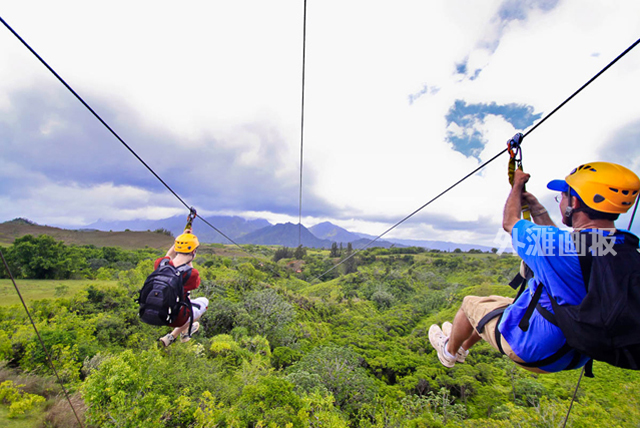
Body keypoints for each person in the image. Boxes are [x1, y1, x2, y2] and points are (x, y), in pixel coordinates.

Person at [429, 161, 640, 372]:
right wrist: (538, 210)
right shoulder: (622, 246)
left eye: (563, 196)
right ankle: (462, 345)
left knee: (469, 303)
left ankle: (449, 351)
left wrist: (516, 185)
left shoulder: (559, 245)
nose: (561, 201)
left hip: (536, 349)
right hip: (577, 351)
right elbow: (570, 247)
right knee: (498, 303)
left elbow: (510, 222)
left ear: (574, 202)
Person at [157, 230, 209, 347]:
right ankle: (173, 335)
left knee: (187, 298)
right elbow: (192, 277)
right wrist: (189, 260)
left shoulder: (161, 264)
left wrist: (182, 238)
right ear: (193, 251)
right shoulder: (192, 274)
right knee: (204, 302)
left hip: (155, 311)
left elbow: (168, 255)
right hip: (175, 317)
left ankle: (185, 331)